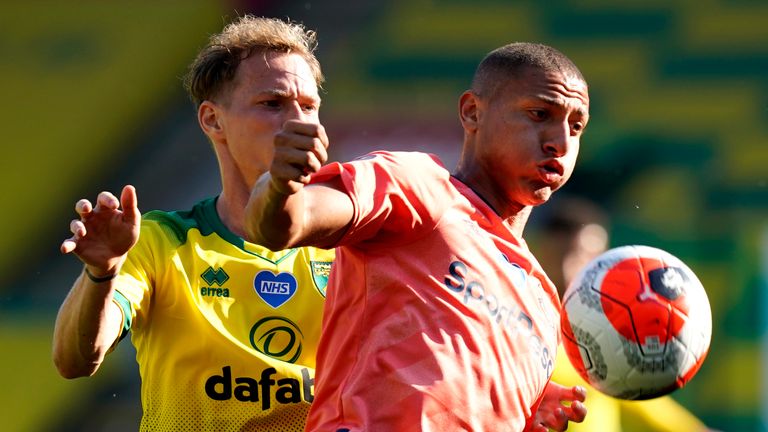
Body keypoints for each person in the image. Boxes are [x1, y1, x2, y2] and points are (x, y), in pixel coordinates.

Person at [245, 42, 590, 431]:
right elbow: (283, 224)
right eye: (539, 114)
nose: (559, 141)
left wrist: (518, 406)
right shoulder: (418, 186)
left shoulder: (542, 300)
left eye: (576, 126)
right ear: (472, 112)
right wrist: (279, 185)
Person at [52, 16, 334, 431]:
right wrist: (102, 271)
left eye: (309, 107)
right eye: (272, 104)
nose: (299, 121)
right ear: (212, 120)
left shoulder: (350, 244)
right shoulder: (161, 240)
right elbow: (75, 360)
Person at [529, 195, 716, 432]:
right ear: (540, 248)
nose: (571, 266)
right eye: (564, 253)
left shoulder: (606, 331)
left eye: (586, 256)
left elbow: (640, 401)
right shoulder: (517, 320)